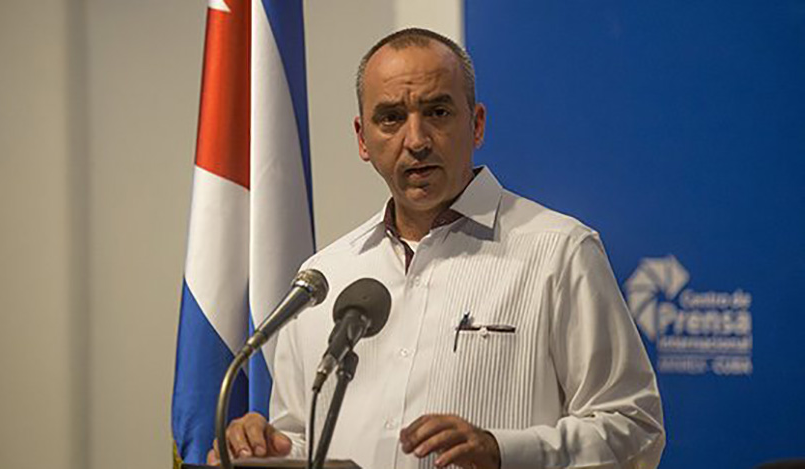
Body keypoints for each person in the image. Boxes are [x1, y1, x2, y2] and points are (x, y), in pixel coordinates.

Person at [209, 28, 665, 469]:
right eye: (390, 118)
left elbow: (634, 429)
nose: (416, 140)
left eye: (438, 112)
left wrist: (503, 451)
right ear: (362, 138)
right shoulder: (324, 277)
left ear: (478, 124)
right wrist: (267, 450)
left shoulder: (559, 253)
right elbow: (305, 441)